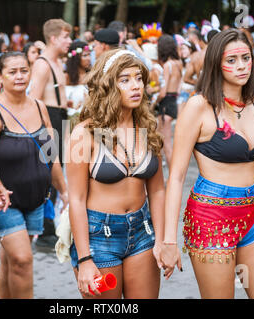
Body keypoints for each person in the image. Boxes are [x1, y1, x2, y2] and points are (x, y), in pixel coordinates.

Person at [160, 29, 254, 299]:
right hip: (211, 219)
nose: (241, 66)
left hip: (252, 217)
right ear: (215, 63)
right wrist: (169, 241)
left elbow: (252, 159)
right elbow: (176, 177)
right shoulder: (199, 107)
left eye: (246, 58)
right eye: (231, 60)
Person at [67, 49, 165, 299]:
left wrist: (163, 240)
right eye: (125, 80)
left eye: (139, 78)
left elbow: (157, 190)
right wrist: (85, 259)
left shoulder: (147, 127)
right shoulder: (84, 133)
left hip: (143, 230)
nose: (135, 86)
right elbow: (76, 200)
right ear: (108, 85)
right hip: (99, 236)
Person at [0, 51, 68, 298]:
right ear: (0, 75)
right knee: (23, 259)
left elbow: (51, 154)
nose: (19, 76)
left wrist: (65, 191)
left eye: (24, 70)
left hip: (36, 198)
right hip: (5, 201)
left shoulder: (40, 107)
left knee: (12, 261)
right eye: (12, 71)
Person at [29, 18, 72, 247]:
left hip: (58, 119)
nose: (70, 41)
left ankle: (48, 226)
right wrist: (43, 132)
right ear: (54, 38)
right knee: (49, 174)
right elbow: (34, 99)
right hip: (48, 122)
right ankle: (43, 230)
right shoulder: (43, 64)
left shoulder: (56, 62)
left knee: (57, 172)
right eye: (66, 37)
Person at [156, 34, 183, 168]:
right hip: (174, 102)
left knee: (166, 145)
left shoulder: (167, 65)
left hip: (166, 103)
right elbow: (179, 86)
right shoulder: (179, 63)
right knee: (163, 142)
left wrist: (155, 101)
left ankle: (173, 176)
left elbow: (163, 90)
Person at [65, 40, 91, 122]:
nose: (89, 58)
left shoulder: (92, 76)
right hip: (68, 121)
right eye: (85, 55)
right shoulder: (65, 77)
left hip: (88, 119)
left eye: (89, 55)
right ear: (76, 58)